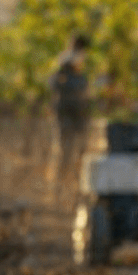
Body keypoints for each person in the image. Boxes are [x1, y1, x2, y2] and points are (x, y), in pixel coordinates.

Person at [48, 34, 91, 187]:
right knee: (65, 149)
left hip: (78, 112)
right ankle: (59, 183)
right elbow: (54, 83)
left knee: (78, 149)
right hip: (67, 111)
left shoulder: (79, 69)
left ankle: (71, 183)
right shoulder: (66, 62)